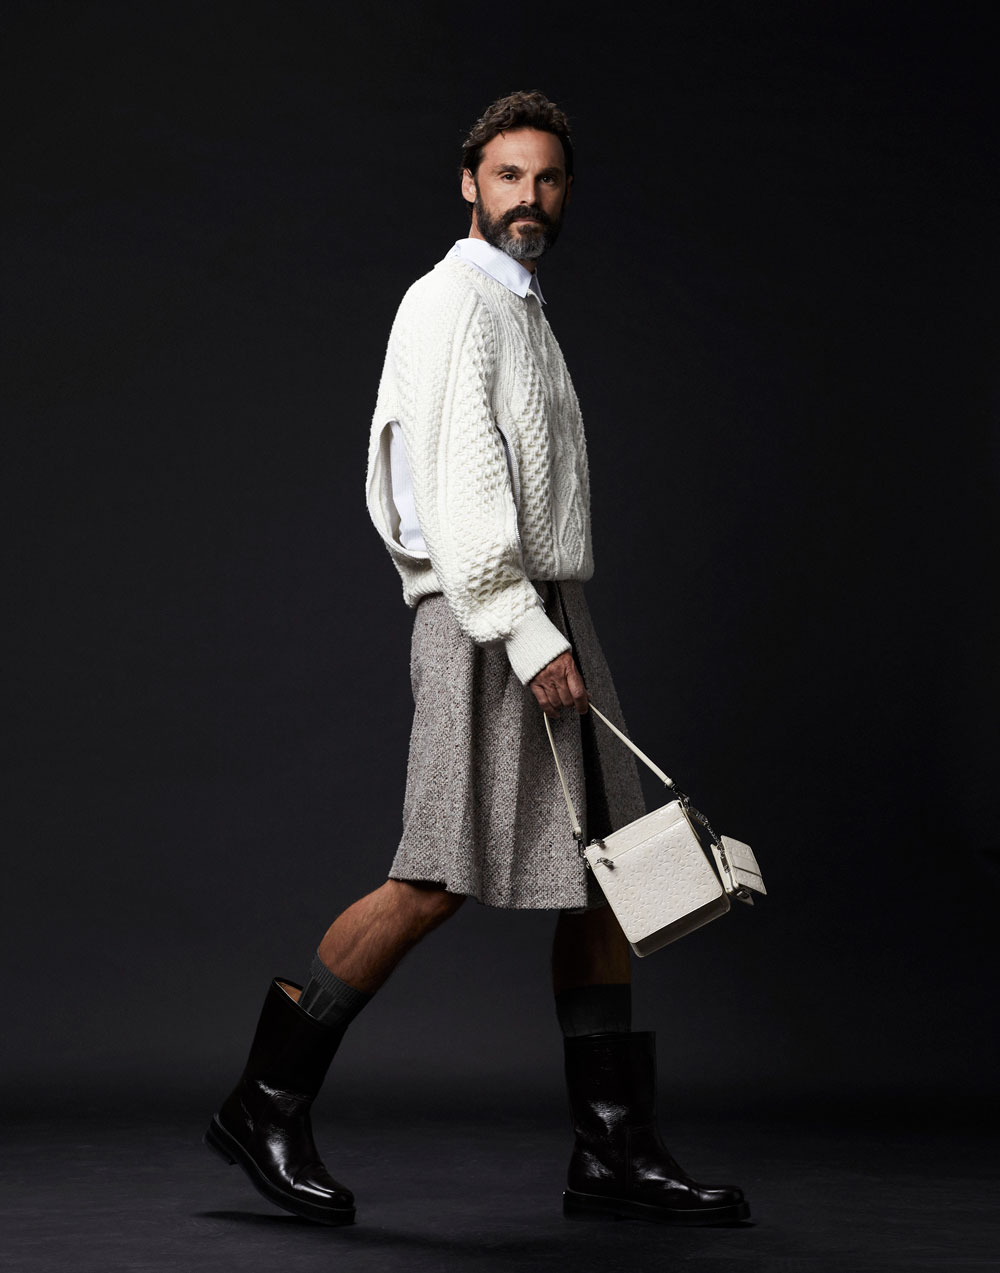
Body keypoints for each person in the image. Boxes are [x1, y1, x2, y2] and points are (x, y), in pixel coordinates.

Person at [205, 90, 749, 1228]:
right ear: (469, 182)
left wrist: (553, 622)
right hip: (489, 618)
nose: (527, 199)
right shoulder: (454, 302)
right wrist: (522, 625)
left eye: (546, 179)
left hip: (549, 609)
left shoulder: (521, 306)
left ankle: (610, 1148)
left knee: (605, 874)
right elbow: (454, 489)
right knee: (434, 875)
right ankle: (264, 1099)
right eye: (508, 176)